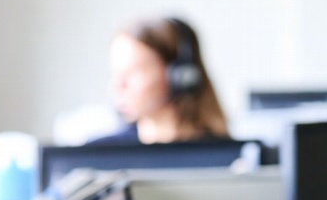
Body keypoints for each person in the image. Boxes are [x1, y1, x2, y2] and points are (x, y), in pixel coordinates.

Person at [90, 16, 229, 144]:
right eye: (116, 73)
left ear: (181, 76)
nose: (118, 85)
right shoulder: (95, 156)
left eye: (134, 71)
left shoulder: (229, 160)